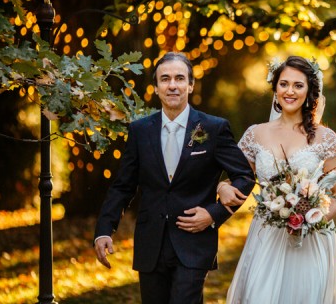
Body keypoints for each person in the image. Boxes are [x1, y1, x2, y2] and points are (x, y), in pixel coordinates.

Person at [93, 52, 255, 304]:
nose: (172, 85)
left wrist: (214, 214)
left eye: (180, 78)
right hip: (150, 245)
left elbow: (244, 177)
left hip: (194, 243)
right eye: (165, 79)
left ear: (190, 85)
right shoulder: (139, 130)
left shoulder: (213, 128)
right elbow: (123, 186)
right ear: (156, 87)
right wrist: (104, 230)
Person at [220, 55, 336, 304]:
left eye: (298, 85)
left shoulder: (327, 138)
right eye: (284, 84)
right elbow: (236, 180)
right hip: (266, 236)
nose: (290, 91)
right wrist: (221, 186)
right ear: (275, 87)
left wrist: (310, 222)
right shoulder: (255, 134)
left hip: (311, 239)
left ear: (310, 91)